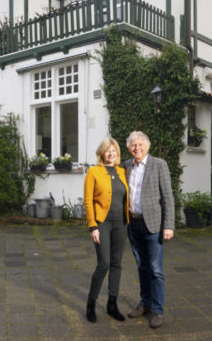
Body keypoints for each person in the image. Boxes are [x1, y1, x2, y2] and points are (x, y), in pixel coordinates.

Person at [123, 130, 174, 329]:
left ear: (147, 146)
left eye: (140, 144)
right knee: (141, 267)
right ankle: (145, 303)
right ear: (129, 148)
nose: (137, 148)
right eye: (133, 145)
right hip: (133, 223)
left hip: (153, 224)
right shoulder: (126, 166)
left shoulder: (159, 164)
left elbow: (168, 197)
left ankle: (157, 311)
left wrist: (168, 225)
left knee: (156, 270)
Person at [83, 137, 129, 323]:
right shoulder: (93, 172)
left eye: (114, 150)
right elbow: (88, 201)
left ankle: (112, 304)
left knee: (117, 263)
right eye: (108, 150)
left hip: (121, 224)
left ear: (118, 153)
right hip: (102, 223)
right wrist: (93, 226)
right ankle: (91, 303)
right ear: (102, 153)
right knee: (104, 264)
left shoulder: (123, 172)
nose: (111, 153)